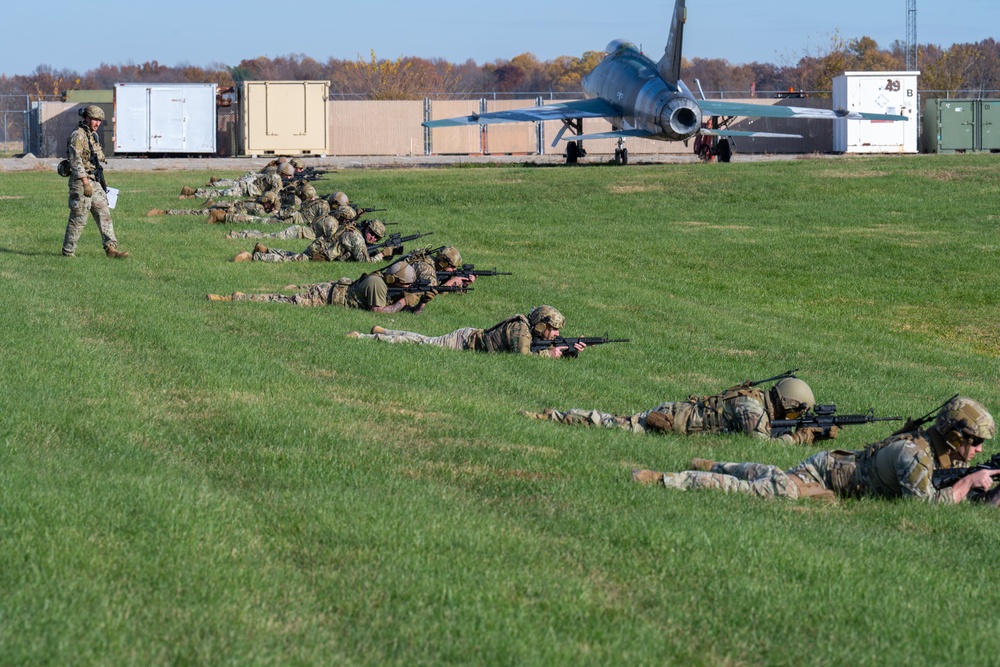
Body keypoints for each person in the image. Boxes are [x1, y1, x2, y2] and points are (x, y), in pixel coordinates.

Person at [632, 396, 997, 504]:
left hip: (834, 470)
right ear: (952, 435)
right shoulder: (915, 454)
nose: (979, 449)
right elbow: (925, 507)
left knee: (773, 478)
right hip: (826, 475)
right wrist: (966, 486)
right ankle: (667, 479)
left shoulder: (929, 447)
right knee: (771, 489)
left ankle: (716, 464)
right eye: (975, 441)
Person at [522, 375, 835, 445]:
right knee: (609, 424)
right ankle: (551, 417)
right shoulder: (751, 407)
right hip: (671, 421)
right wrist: (802, 437)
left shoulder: (759, 402)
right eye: (796, 414)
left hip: (680, 417)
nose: (795, 419)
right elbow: (763, 446)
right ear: (787, 404)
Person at [346, 305, 586, 359]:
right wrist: (552, 354)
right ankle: (367, 337)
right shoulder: (521, 330)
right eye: (553, 330)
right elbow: (522, 358)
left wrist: (567, 350)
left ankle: (384, 330)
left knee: (423, 339)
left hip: (469, 338)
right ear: (541, 325)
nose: (554, 335)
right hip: (463, 342)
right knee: (421, 344)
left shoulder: (527, 328)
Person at [206, 260, 434, 314]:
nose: (408, 288)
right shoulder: (377, 283)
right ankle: (236, 298)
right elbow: (378, 312)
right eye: (406, 285)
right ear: (395, 281)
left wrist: (421, 303)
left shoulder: (384, 282)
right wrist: (403, 302)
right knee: (284, 301)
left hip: (337, 290)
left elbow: (409, 311)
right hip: (325, 297)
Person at [61, 105, 128, 258]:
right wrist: (85, 182)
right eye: (95, 120)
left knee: (104, 213)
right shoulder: (78, 136)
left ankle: (111, 248)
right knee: (79, 217)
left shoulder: (92, 136)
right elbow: (75, 160)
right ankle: (68, 251)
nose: (97, 123)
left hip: (94, 180)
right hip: (81, 181)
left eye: (99, 120)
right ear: (86, 118)